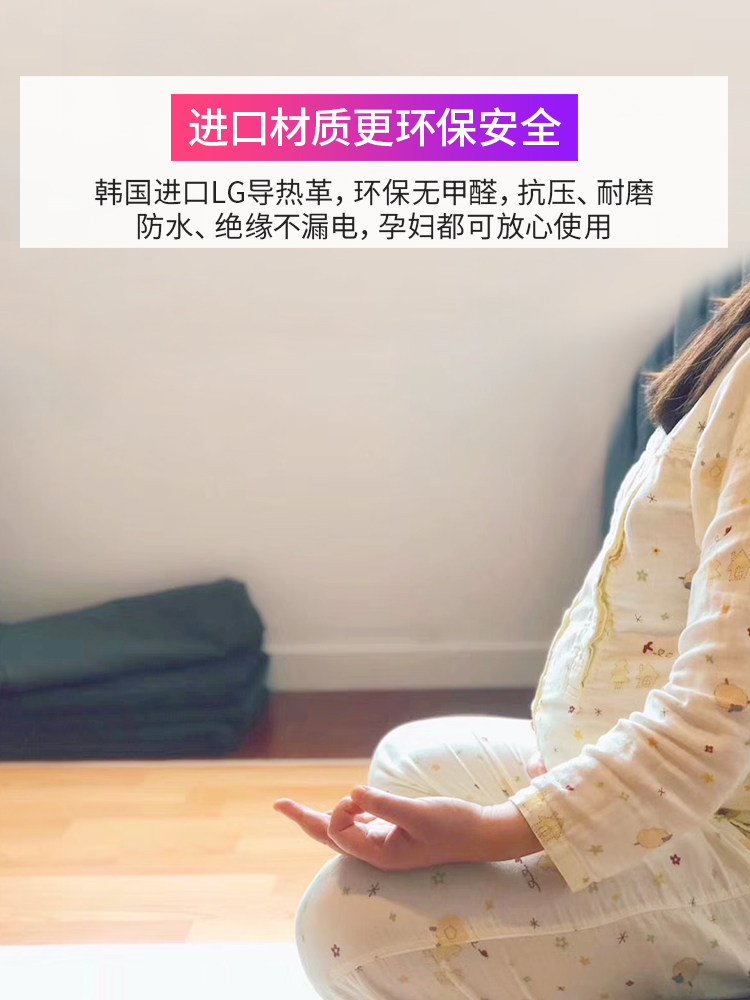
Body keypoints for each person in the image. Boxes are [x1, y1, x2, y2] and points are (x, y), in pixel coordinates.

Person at [274, 276, 750, 1000]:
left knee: (348, 931)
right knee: (409, 760)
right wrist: (578, 777)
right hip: (706, 793)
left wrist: (507, 828)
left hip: (727, 818)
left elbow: (719, 718)